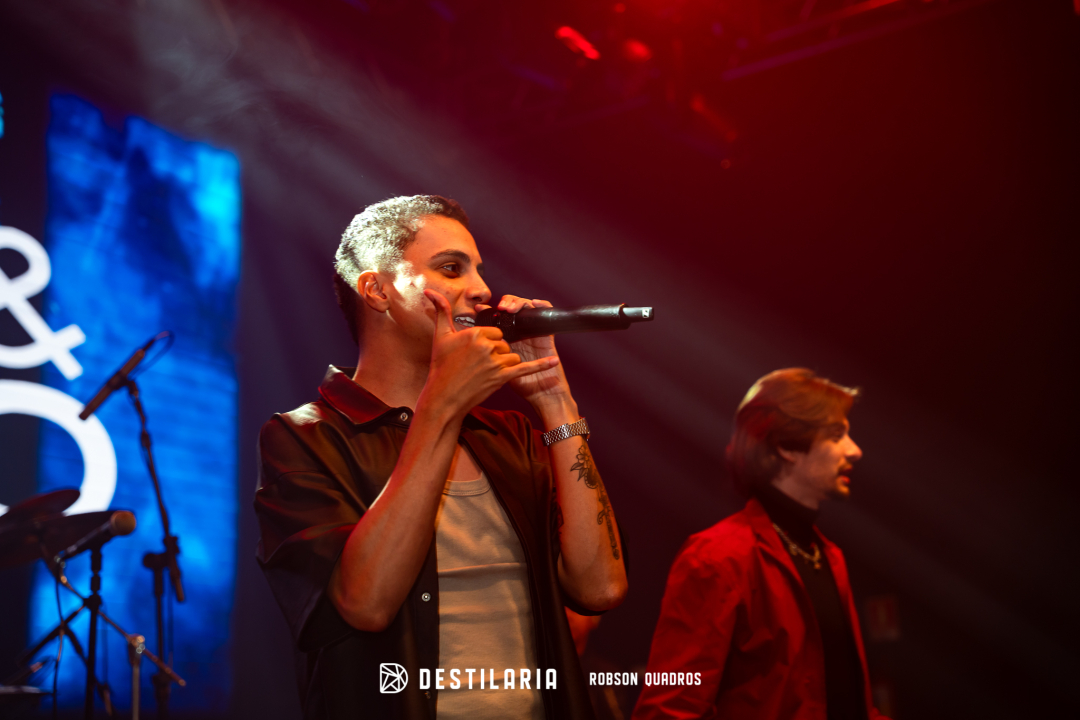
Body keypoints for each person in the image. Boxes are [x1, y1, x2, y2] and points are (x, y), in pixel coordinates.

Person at [253, 195, 628, 720]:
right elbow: (365, 603)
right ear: (377, 290)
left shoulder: (509, 437)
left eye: (479, 270)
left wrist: (554, 400)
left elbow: (601, 588)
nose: (481, 290)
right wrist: (441, 405)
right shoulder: (305, 438)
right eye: (452, 269)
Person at [633, 368, 887, 720]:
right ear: (786, 445)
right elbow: (669, 710)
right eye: (835, 435)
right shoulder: (717, 557)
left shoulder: (829, 556)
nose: (854, 450)